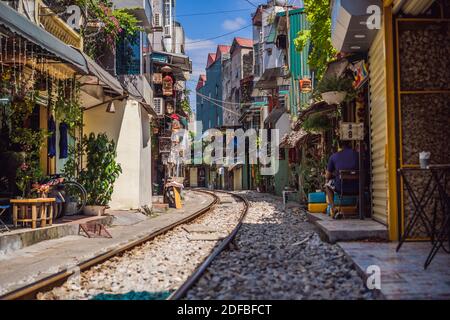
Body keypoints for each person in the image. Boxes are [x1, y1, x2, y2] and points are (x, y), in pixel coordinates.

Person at [325, 140, 359, 219]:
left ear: (339, 145)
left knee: (327, 185)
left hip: (341, 188)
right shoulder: (358, 155)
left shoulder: (334, 156)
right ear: (350, 143)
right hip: (358, 188)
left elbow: (327, 176)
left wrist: (335, 174)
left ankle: (333, 209)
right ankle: (360, 207)